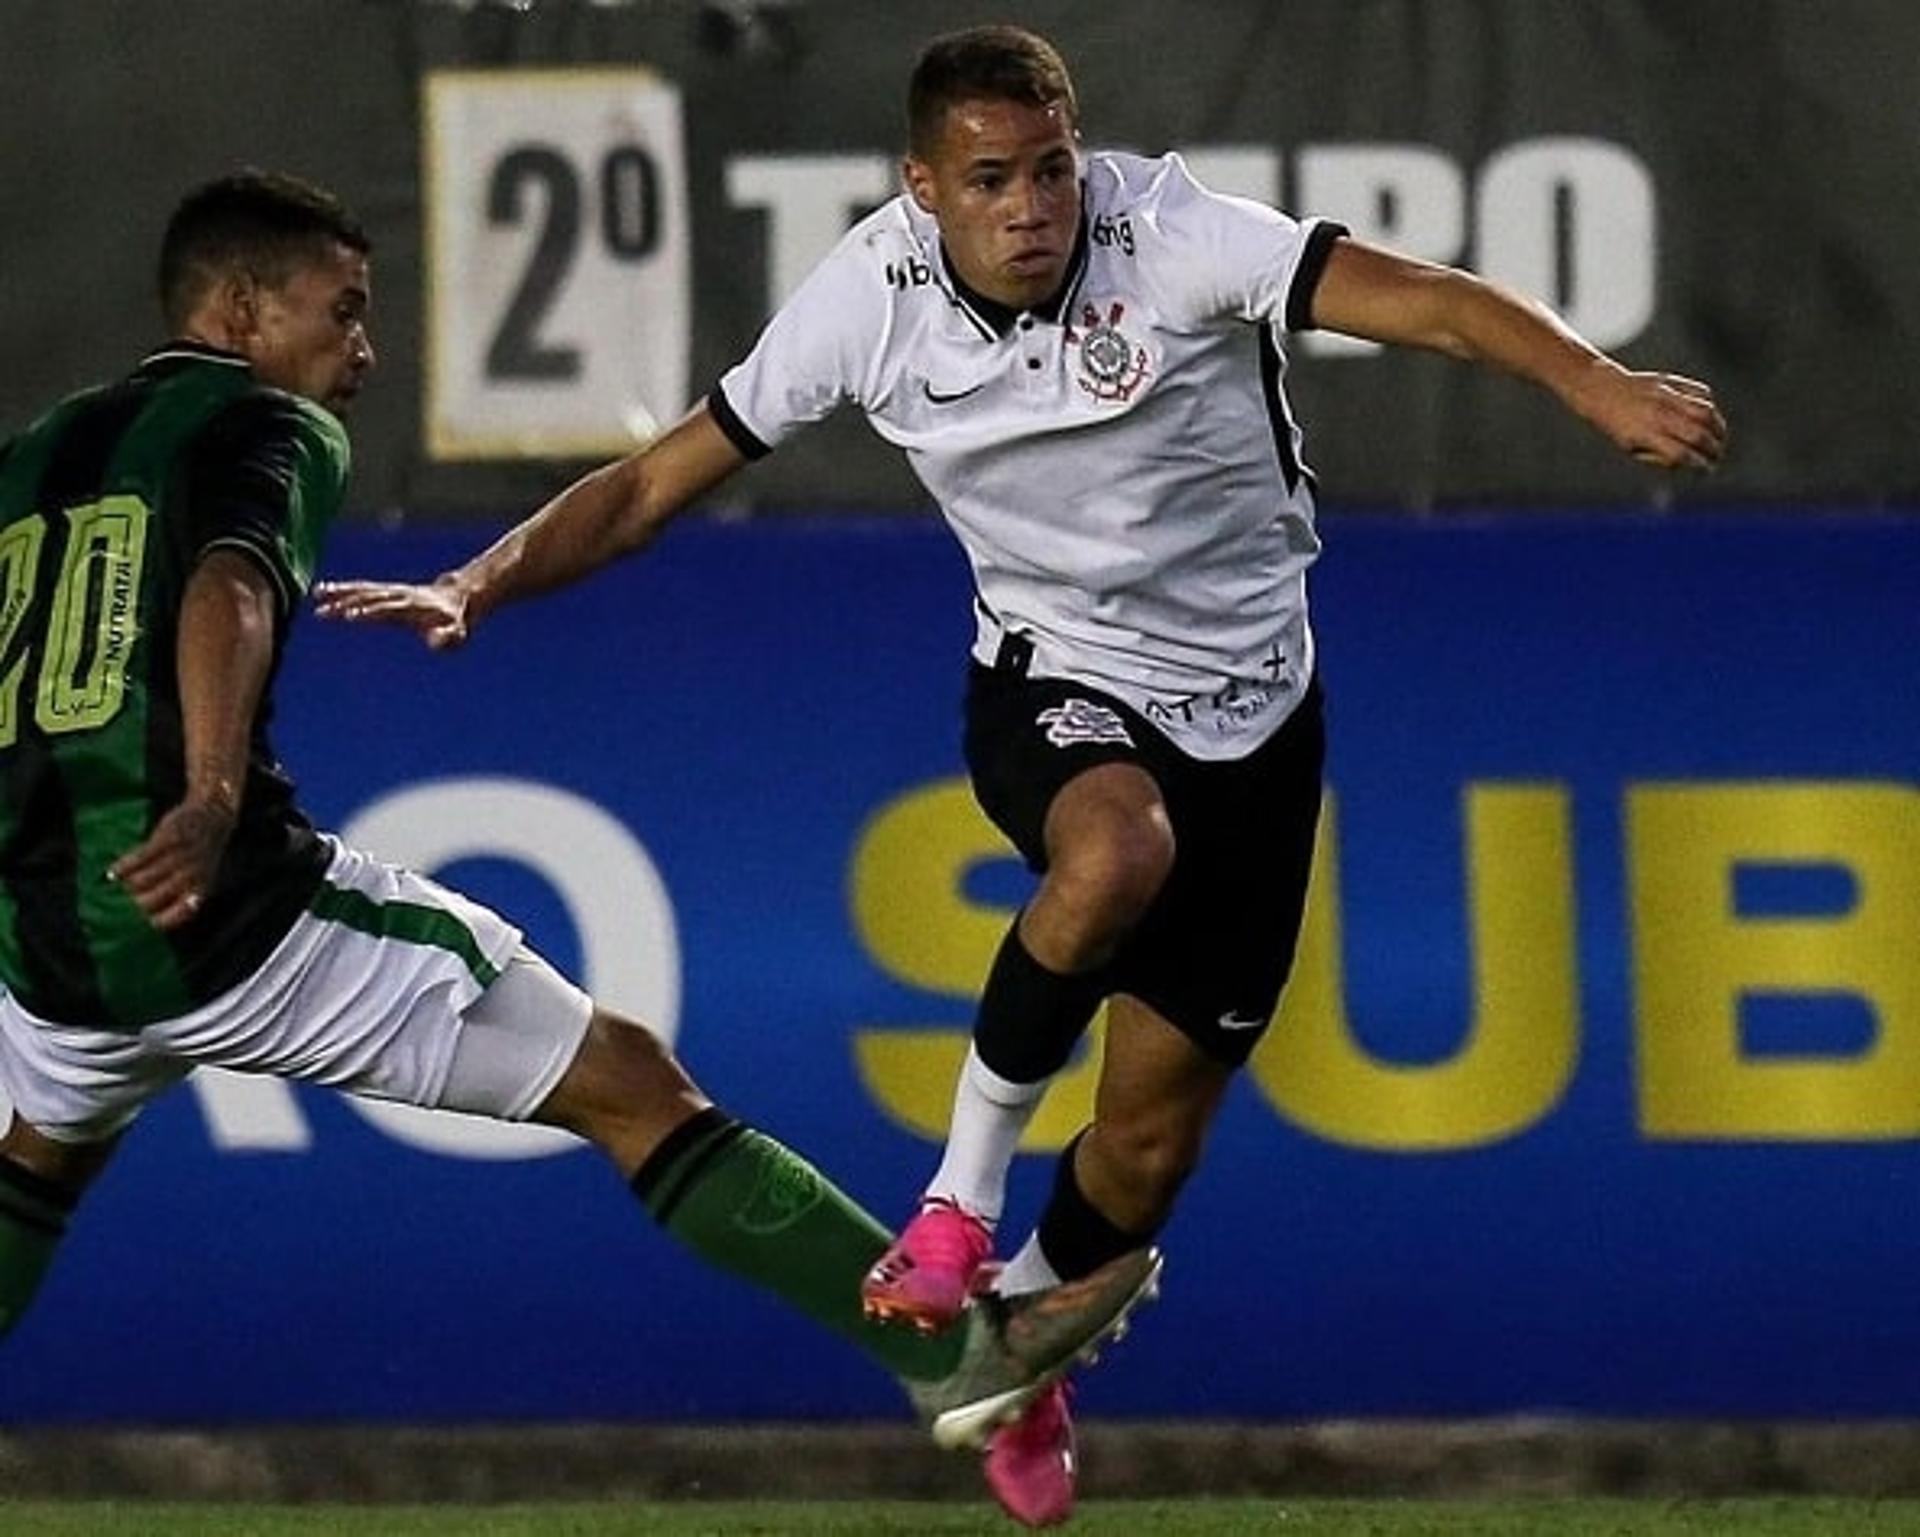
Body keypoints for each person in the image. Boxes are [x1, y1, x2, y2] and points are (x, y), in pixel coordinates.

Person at [316, 23, 1728, 1527]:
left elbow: (1428, 301)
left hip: (1258, 717)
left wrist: (1593, 383)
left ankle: (1013, 1349)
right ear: (923, 187)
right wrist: (483, 578)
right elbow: (657, 480)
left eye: (1050, 166)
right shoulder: (868, 298)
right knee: (1113, 853)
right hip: (1054, 684)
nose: (1034, 203)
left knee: (1148, 1139)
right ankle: (955, 1203)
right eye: (992, 178)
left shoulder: (1169, 231)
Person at [0, 167, 1162, 1463]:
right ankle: (949, 1351)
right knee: (626, 1079)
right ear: (238, 310)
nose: (364, 351)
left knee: (41, 1152)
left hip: (42, 930)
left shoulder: (36, 453)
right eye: (343, 311)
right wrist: (212, 794)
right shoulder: (270, 428)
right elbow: (234, 584)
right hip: (218, 913)